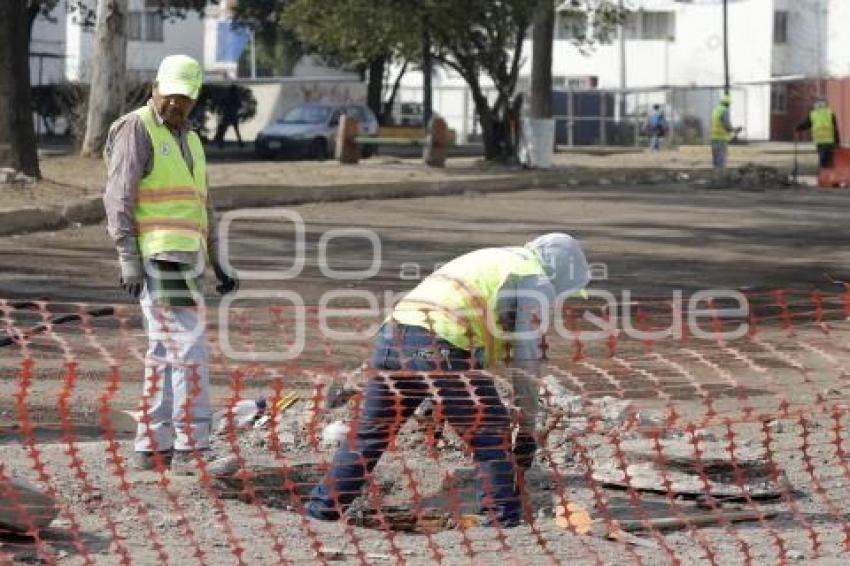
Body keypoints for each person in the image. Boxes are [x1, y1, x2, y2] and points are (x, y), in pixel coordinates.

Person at [305, 233, 590, 528]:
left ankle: (319, 514)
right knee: (490, 434)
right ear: (560, 273)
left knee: (368, 435)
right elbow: (527, 357)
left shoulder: (493, 257)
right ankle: (502, 522)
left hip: (392, 339)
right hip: (439, 346)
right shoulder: (534, 277)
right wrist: (528, 425)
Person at [103, 54, 239, 474]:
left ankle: (153, 444)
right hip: (160, 259)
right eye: (171, 96)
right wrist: (127, 257)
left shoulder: (193, 140)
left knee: (164, 352)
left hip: (187, 261)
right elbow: (118, 197)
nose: (176, 105)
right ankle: (192, 446)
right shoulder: (136, 128)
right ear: (155, 88)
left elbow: (203, 207)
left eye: (185, 99)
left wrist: (220, 262)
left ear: (195, 100)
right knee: (189, 350)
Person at [796, 97, 840, 169]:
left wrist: (798, 128)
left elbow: (806, 124)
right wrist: (838, 142)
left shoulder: (813, 114)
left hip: (819, 141)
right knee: (829, 160)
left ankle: (823, 174)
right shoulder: (830, 113)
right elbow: (835, 129)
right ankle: (828, 175)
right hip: (829, 141)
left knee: (822, 159)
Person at [214, 84, 244, 149]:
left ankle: (221, 144)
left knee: (224, 130)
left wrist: (224, 110)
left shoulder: (227, 97)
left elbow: (221, 104)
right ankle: (240, 143)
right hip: (233, 115)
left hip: (227, 115)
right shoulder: (235, 97)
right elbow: (239, 106)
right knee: (236, 130)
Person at [711, 94, 736, 170]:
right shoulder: (724, 111)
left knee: (715, 158)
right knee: (721, 159)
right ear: (728, 103)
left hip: (714, 137)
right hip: (721, 138)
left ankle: (715, 175)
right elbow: (726, 125)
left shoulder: (716, 110)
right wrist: (733, 130)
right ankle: (720, 177)